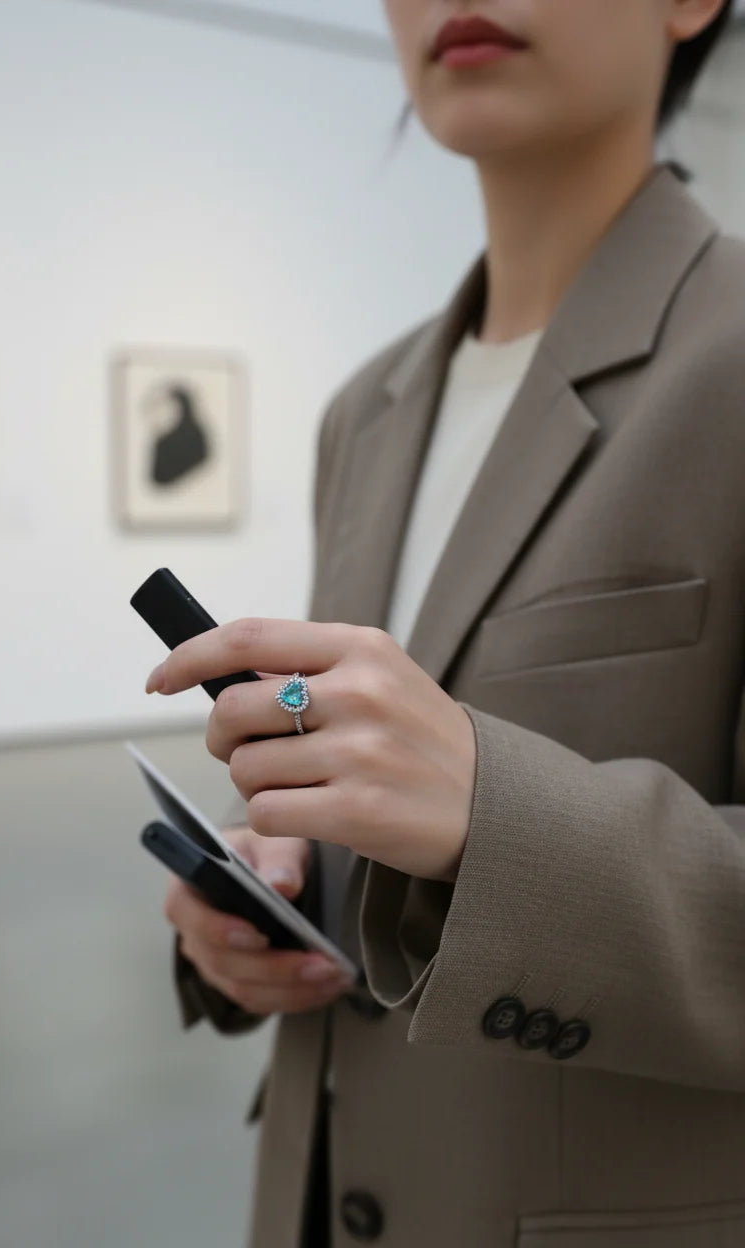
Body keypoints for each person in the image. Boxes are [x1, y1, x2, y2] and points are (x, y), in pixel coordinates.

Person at [150, 2, 745, 1244]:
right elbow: (382, 807)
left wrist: (494, 812)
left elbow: (464, 800)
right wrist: (273, 890)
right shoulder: (365, 412)